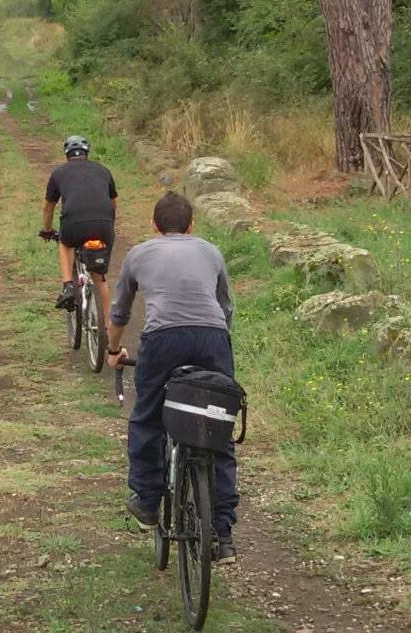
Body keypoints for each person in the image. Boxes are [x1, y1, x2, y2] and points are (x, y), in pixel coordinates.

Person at [107, 192, 238, 561]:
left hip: (162, 339)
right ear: (192, 225)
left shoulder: (139, 254)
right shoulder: (211, 252)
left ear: (154, 225)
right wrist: (215, 342)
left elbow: (120, 312)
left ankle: (148, 501)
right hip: (213, 336)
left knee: (148, 415)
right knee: (218, 424)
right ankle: (222, 533)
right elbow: (226, 307)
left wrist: (114, 351)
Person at [40, 134, 117, 311]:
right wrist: (108, 225)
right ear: (87, 153)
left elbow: (48, 208)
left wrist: (47, 231)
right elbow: (114, 204)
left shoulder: (59, 173)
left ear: (66, 155)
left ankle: (67, 285)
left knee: (65, 244)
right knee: (100, 278)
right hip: (104, 223)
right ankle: (109, 327)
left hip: (74, 223)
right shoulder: (103, 170)